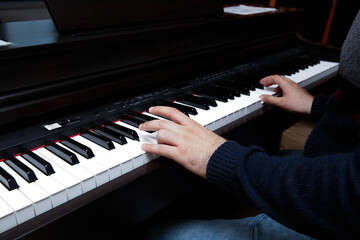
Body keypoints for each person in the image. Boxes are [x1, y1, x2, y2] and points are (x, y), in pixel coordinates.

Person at [138, 10, 360, 240]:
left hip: (343, 212)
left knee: (163, 234)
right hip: (340, 157)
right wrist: (318, 105)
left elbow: (350, 192)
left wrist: (218, 157)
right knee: (271, 158)